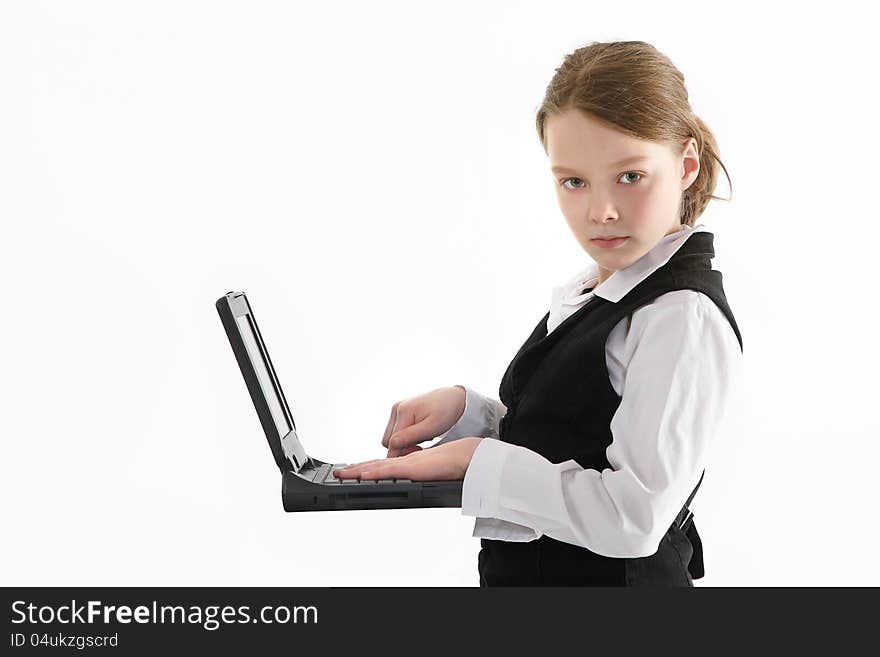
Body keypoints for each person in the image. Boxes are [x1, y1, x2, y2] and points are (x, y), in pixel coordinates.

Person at [334, 40, 743, 587]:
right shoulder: (602, 289)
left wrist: (477, 460)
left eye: (630, 176)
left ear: (686, 165)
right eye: (573, 181)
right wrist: (469, 415)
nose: (601, 211)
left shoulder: (678, 316)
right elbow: (576, 443)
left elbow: (633, 518)